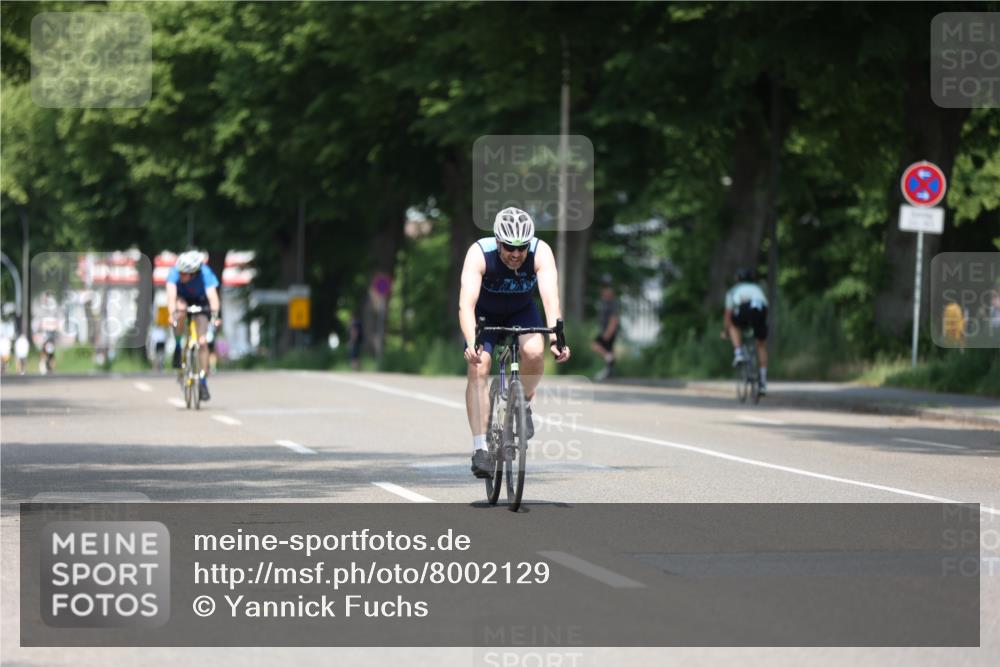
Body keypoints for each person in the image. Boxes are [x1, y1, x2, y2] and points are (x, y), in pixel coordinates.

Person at [459, 207, 571, 478]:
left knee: (534, 352)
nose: (516, 254)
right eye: (509, 247)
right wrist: (472, 342)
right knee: (479, 368)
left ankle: (525, 404)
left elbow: (550, 299)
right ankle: (480, 449)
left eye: (521, 247)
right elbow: (466, 304)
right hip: (485, 316)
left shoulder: (541, 252)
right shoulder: (479, 253)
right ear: (498, 241)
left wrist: (557, 337)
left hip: (521, 311)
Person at [166, 250, 222, 401]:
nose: (181, 276)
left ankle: (203, 382)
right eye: (181, 273)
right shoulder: (174, 273)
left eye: (185, 274)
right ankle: (178, 346)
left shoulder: (206, 273)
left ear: (194, 273)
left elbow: (213, 297)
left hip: (201, 301)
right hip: (182, 298)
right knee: (181, 311)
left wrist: (215, 316)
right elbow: (171, 296)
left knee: (202, 342)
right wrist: (172, 315)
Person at [723, 268, 769, 395]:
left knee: (733, 325)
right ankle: (763, 383)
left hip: (744, 308)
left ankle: (738, 353)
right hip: (760, 310)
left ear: (738, 279)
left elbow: (728, 314)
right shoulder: (758, 289)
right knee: (761, 345)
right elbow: (766, 307)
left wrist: (727, 331)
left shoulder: (733, 290)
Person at [590, 275, 620, 381]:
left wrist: (608, 332)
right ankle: (609, 371)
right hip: (605, 330)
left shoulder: (612, 303)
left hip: (609, 332)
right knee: (609, 350)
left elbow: (614, 319)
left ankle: (609, 359)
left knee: (595, 345)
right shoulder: (604, 302)